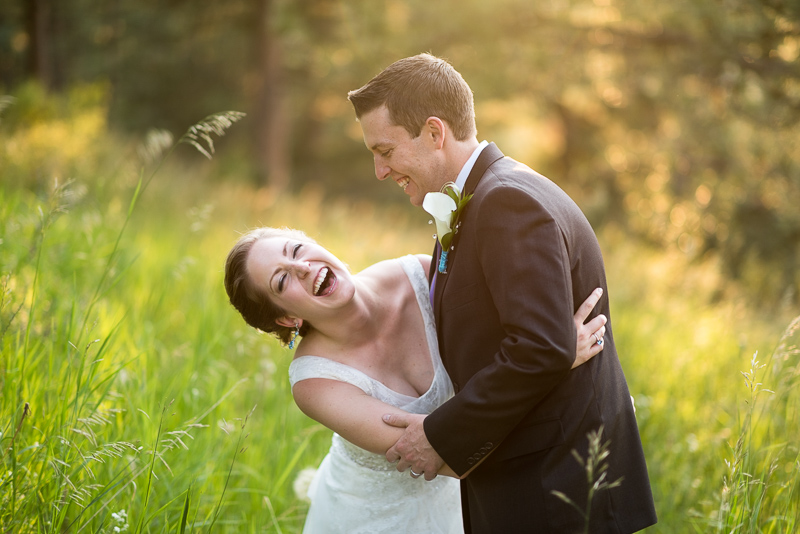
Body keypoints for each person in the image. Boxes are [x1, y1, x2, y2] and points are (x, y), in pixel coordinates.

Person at [348, 53, 657, 533]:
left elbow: (540, 346)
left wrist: (440, 435)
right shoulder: (486, 196)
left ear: (435, 133)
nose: (379, 171)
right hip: (530, 479)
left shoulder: (507, 202)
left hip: (555, 490)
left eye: (385, 151)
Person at [224, 227, 608, 534]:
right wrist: (549, 362)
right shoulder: (316, 383)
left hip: (463, 505)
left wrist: (542, 349)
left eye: (296, 250)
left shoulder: (424, 274)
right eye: (281, 281)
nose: (303, 267)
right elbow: (454, 457)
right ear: (286, 318)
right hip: (368, 520)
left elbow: (501, 363)